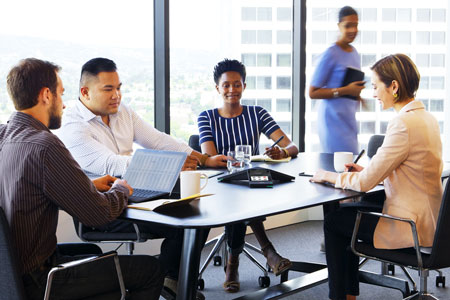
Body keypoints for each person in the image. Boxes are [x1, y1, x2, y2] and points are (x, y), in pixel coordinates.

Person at [0, 58, 164, 300]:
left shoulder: (5, 137)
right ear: (46, 95)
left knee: (91, 251)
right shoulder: (45, 146)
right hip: (41, 280)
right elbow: (97, 214)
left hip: (9, 276)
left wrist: (86, 186)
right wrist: (121, 189)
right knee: (151, 270)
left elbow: (29, 193)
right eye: (60, 94)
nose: (64, 105)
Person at [56, 57, 217, 299]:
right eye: (108, 89)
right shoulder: (73, 127)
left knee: (196, 206)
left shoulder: (123, 112)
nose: (116, 95)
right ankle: (170, 279)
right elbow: (113, 164)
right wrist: (169, 164)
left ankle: (172, 279)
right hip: (104, 208)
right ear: (85, 92)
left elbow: (159, 140)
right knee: (185, 218)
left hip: (135, 194)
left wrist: (203, 158)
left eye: (119, 87)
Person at [311, 54, 443, 300]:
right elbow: (413, 172)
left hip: (411, 228)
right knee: (348, 215)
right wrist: (371, 172)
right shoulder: (427, 119)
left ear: (393, 86)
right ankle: (348, 294)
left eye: (375, 86)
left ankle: (342, 297)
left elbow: (363, 184)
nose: (372, 93)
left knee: (335, 222)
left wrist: (326, 176)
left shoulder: (402, 124)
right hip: (433, 223)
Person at [197, 59, 299, 293]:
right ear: (217, 88)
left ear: (244, 86)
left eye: (237, 84)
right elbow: (210, 157)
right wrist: (230, 163)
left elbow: (292, 147)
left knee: (242, 196)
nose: (231, 90)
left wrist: (280, 151)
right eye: (226, 85)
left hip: (250, 183)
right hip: (219, 185)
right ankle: (261, 254)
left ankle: (234, 265)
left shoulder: (256, 113)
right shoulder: (207, 117)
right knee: (238, 199)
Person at [309, 6, 365, 154]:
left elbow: (349, 85)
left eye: (355, 25)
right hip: (332, 121)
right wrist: (347, 90)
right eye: (348, 26)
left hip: (348, 119)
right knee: (338, 165)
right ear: (339, 26)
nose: (353, 30)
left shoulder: (354, 53)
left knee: (351, 163)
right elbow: (312, 92)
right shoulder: (331, 54)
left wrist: (357, 94)